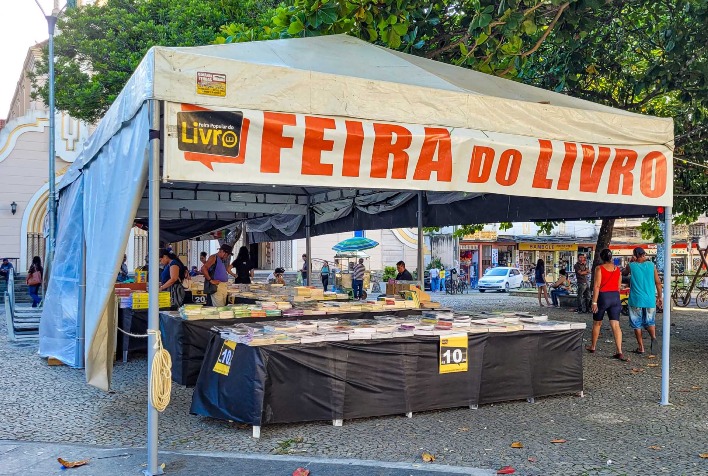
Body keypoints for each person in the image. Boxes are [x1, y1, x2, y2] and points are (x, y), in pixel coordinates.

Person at [586, 248, 627, 361]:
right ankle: (619, 351)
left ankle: (593, 346)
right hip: (615, 297)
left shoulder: (599, 268)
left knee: (597, 323)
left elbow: (597, 286)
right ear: (611, 257)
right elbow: (619, 286)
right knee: (615, 325)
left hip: (603, 297)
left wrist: (594, 302)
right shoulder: (617, 269)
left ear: (601, 258)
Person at [622, 247, 663, 355]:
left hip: (635, 299)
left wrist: (630, 261)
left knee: (637, 323)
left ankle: (641, 347)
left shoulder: (631, 265)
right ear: (644, 254)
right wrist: (659, 297)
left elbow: (624, 273)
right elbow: (658, 283)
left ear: (635, 255)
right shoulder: (651, 265)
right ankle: (653, 337)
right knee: (650, 321)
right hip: (650, 299)